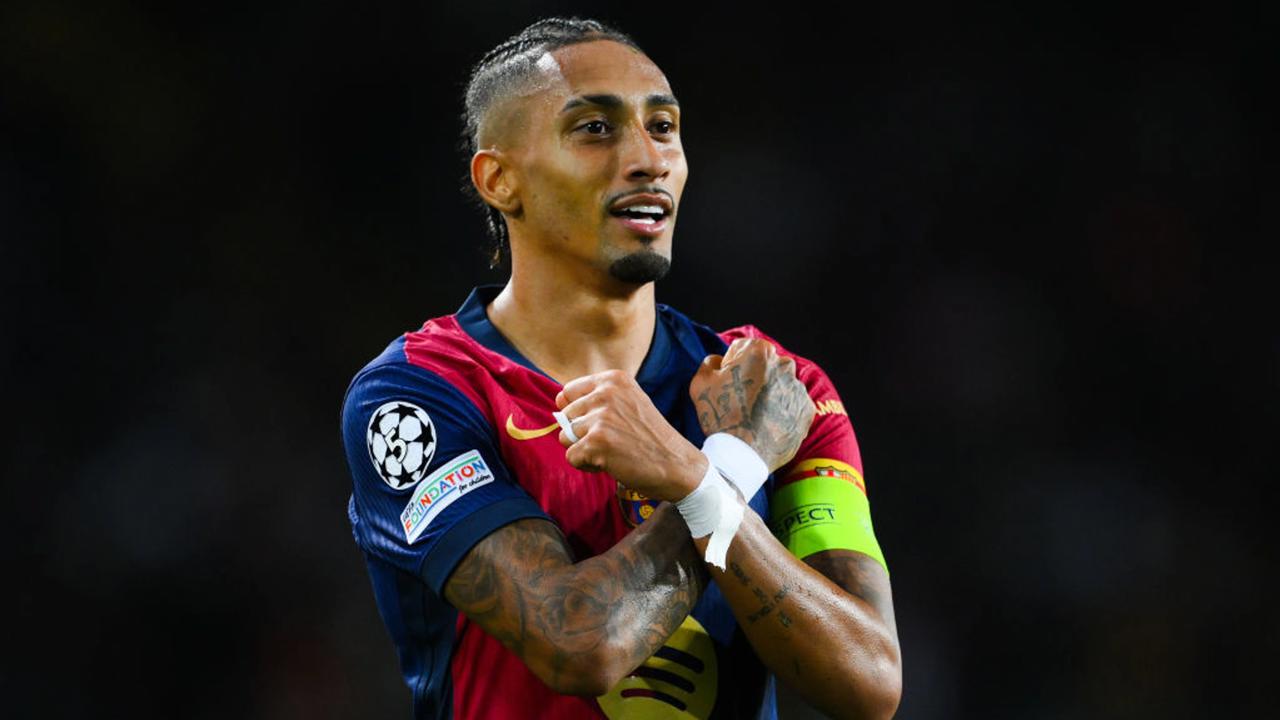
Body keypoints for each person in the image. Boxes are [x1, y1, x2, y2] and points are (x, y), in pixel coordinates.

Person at [341, 17, 901, 720]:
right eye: (595, 130)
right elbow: (581, 646)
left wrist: (710, 476)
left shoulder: (776, 388)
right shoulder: (419, 398)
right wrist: (724, 468)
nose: (648, 158)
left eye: (663, 127)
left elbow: (870, 683)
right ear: (500, 179)